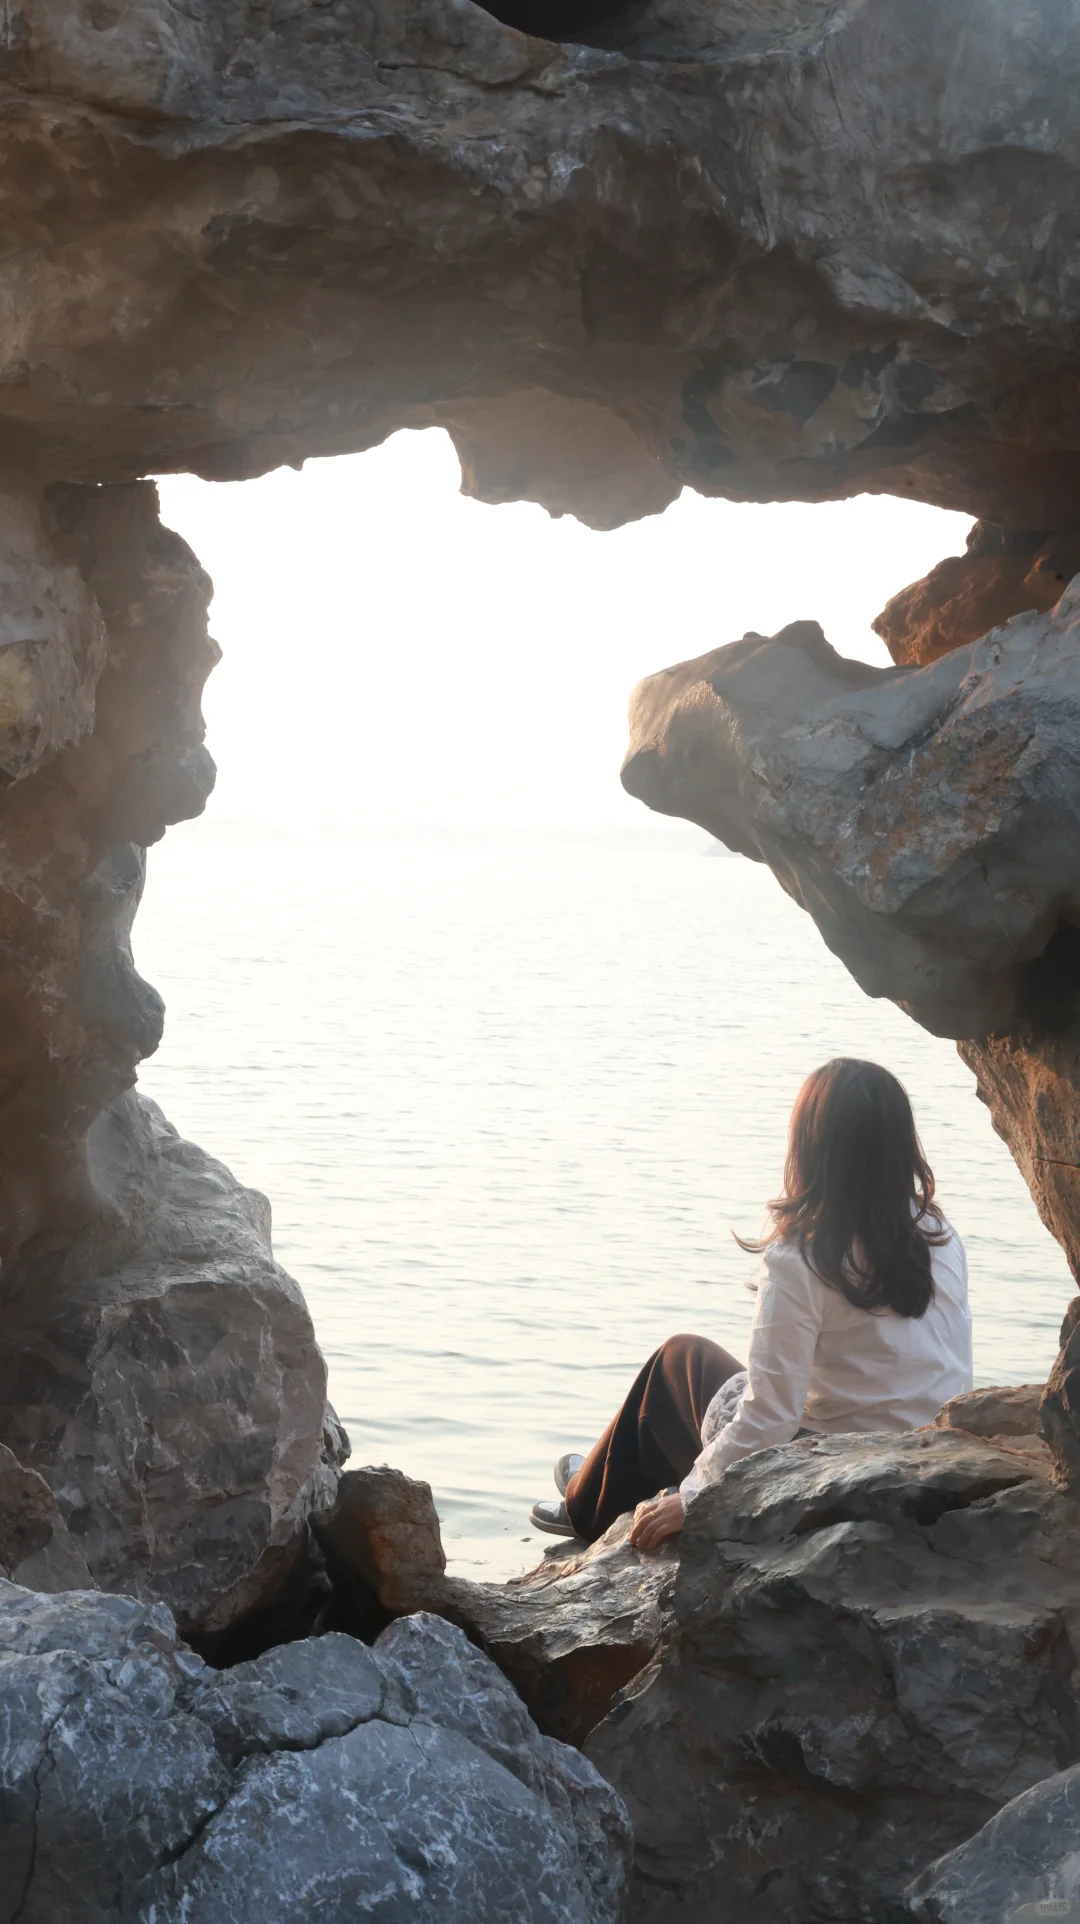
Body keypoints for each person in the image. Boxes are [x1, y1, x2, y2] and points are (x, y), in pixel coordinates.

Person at [529, 1058, 973, 1551]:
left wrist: (695, 1497)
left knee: (679, 1363)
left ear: (810, 1146)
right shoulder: (938, 1233)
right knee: (695, 1369)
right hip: (926, 1461)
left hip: (837, 1473)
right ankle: (598, 1487)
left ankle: (588, 1507)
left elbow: (771, 1417)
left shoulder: (803, 1256)